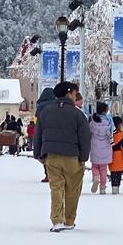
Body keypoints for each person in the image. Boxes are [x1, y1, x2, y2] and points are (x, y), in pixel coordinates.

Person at [37, 81, 89, 231]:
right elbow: (84, 138)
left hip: (52, 156)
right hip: (73, 157)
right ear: (68, 94)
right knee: (73, 189)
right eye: (74, 93)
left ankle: (57, 220)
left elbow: (39, 134)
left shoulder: (46, 112)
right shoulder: (78, 115)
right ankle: (69, 220)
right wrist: (83, 156)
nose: (75, 96)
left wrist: (39, 154)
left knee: (56, 187)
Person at [88, 103, 114, 193]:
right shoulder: (109, 122)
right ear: (105, 111)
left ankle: (95, 178)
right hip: (106, 148)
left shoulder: (92, 122)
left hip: (95, 147)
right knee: (103, 169)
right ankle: (102, 188)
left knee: (95, 166)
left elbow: (89, 134)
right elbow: (111, 135)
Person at [109, 116, 123, 193]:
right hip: (120, 156)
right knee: (119, 172)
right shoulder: (122, 136)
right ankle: (117, 185)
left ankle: (114, 186)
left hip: (112, 156)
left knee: (113, 172)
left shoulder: (110, 135)